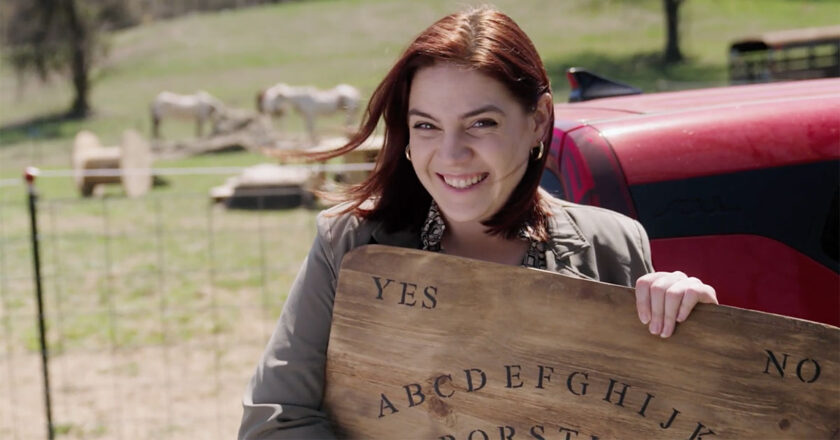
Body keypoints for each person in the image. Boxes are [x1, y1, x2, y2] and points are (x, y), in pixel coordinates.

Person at [239, 6, 717, 439]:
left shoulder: (613, 245)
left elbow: (669, 418)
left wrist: (704, 337)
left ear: (538, 120)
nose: (450, 154)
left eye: (481, 123)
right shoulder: (348, 244)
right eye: (426, 125)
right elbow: (277, 420)